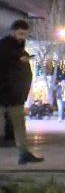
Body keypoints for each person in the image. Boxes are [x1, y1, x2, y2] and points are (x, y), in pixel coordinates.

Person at [0, 20, 43, 164]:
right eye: (20, 33)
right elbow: (8, 63)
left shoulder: (18, 47)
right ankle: (23, 153)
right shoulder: (7, 47)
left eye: (24, 34)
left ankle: (23, 153)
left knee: (19, 126)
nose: (22, 36)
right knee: (13, 126)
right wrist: (19, 59)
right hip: (6, 94)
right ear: (13, 32)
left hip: (15, 95)